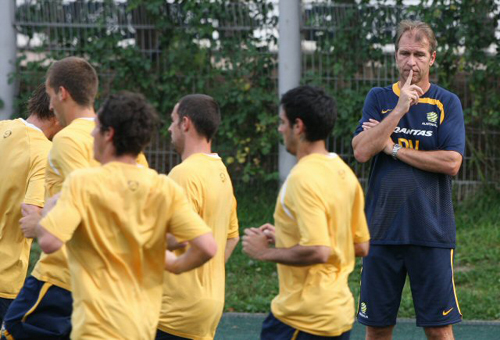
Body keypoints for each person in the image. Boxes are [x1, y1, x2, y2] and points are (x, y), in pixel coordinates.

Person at [34, 91, 217, 340]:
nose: (91, 134)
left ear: (109, 134)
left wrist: (50, 208)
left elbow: (50, 241)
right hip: (141, 330)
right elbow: (207, 246)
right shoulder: (163, 187)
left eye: (96, 128)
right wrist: (174, 265)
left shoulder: (82, 182)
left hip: (95, 331)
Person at [4, 56, 146, 340]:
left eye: (50, 93)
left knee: (13, 330)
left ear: (61, 93)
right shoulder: (125, 144)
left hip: (63, 272)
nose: (51, 103)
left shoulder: (65, 140)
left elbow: (89, 199)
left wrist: (42, 223)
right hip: (112, 278)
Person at [352, 20, 465, 340]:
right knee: (377, 328)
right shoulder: (378, 98)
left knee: (438, 329)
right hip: (381, 232)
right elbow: (361, 150)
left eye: (418, 54)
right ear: (395, 56)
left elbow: (452, 162)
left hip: (431, 232)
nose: (410, 62)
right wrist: (399, 110)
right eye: (404, 53)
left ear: (432, 58)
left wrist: (393, 149)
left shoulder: (447, 102)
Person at [243, 85, 370, 340]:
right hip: (337, 316)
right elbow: (360, 245)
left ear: (298, 126)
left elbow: (319, 249)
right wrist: (287, 236)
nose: (280, 129)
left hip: (302, 319)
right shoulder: (343, 172)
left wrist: (265, 252)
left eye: (283, 122)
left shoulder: (302, 177)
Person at [156, 94, 239, 340]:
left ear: (186, 123)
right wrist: (205, 275)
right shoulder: (220, 171)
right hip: (207, 307)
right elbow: (232, 238)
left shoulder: (183, 174)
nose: (169, 128)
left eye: (172, 120)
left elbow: (174, 239)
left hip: (173, 311)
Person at [0, 84, 61, 326]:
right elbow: (30, 216)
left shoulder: (2, 127)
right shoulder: (44, 152)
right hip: (4, 277)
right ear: (57, 111)